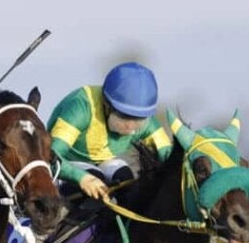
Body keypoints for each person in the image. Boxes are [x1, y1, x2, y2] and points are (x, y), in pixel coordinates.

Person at [47, 61, 172, 201]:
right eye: (124, 117)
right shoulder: (80, 108)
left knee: (126, 180)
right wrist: (81, 178)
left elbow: (170, 158)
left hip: (103, 163)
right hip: (65, 164)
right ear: (106, 105)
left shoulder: (147, 123)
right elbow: (49, 158)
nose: (131, 128)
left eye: (138, 120)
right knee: (95, 178)